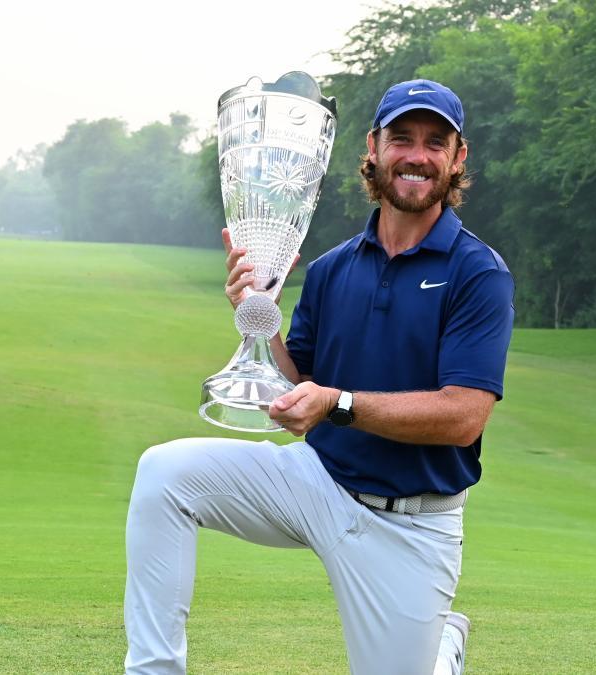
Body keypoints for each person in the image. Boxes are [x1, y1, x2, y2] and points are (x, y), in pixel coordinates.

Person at [125, 79, 515, 675]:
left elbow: (463, 417)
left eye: (435, 143)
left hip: (412, 521)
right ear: (374, 148)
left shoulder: (478, 273)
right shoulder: (333, 268)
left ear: (457, 158)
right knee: (165, 473)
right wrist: (261, 320)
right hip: (317, 482)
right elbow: (294, 385)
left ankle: (439, 654)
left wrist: (338, 403)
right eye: (402, 138)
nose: (417, 155)